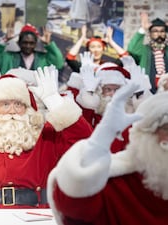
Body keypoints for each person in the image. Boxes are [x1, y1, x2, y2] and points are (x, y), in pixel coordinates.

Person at [0, 66, 93, 208]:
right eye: (5, 104)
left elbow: (84, 145)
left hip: (35, 215)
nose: (12, 111)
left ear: (28, 108)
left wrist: (55, 102)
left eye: (18, 104)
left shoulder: (45, 135)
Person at [47, 81, 168, 225]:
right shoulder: (118, 180)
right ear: (145, 135)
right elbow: (74, 206)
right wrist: (99, 141)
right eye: (165, 129)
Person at [0, 23, 64, 74]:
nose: (28, 46)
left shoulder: (43, 59)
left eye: (31, 43)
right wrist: (5, 39)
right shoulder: (9, 58)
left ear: (36, 44)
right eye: (25, 42)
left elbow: (58, 63)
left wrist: (48, 44)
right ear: (19, 43)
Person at [127, 12, 168, 93]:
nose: (159, 34)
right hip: (148, 91)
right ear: (150, 34)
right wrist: (143, 28)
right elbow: (132, 49)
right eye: (155, 31)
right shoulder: (145, 50)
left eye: (162, 31)